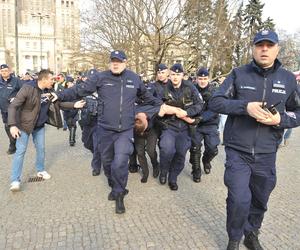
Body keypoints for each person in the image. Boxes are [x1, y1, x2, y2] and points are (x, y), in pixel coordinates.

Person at [208, 30, 300, 250]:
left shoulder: (288, 79)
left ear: (277, 49)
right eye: (260, 45)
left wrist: (281, 119)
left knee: (260, 199)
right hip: (237, 151)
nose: (264, 49)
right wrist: (244, 107)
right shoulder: (238, 74)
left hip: (267, 153)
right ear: (253, 48)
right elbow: (216, 102)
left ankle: (252, 233)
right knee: (239, 199)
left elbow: (298, 111)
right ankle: (234, 239)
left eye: (270, 45)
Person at [51, 50, 162, 214]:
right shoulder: (100, 77)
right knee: (108, 162)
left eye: (119, 61)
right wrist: (59, 94)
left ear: (125, 62)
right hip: (105, 129)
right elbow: (79, 90)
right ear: (110, 63)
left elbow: (147, 97)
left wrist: (162, 106)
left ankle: (119, 194)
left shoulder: (134, 78)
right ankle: (114, 184)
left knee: (121, 162)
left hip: (125, 130)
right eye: (113, 61)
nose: (115, 64)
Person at [7, 69, 85, 192]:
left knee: (41, 149)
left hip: (39, 125)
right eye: (51, 79)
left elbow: (58, 103)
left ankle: (40, 170)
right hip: (23, 125)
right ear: (43, 80)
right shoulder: (27, 88)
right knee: (20, 151)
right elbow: (13, 106)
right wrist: (12, 125)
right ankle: (15, 180)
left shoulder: (49, 90)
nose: (53, 81)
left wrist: (74, 105)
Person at [158, 63, 203, 190]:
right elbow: (157, 105)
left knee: (180, 154)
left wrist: (187, 113)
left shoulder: (190, 87)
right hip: (169, 125)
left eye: (178, 74)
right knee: (167, 150)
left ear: (183, 75)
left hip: (184, 127)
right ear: (169, 75)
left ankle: (173, 178)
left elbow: (199, 104)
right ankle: (163, 170)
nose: (175, 77)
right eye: (173, 74)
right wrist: (163, 110)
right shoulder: (164, 88)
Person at [189, 67, 220, 182]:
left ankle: (206, 161)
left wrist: (201, 117)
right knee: (195, 148)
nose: (202, 81)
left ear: (209, 79)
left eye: (205, 78)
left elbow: (215, 109)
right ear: (196, 79)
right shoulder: (191, 90)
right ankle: (196, 170)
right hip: (195, 124)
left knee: (212, 148)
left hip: (210, 123)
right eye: (200, 78)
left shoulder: (214, 92)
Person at [0, 64, 23, 154]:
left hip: (14, 109)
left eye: (5, 70)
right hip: (4, 109)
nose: (4, 72)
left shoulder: (16, 81)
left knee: (14, 125)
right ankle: (13, 141)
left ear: (9, 71)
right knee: (6, 126)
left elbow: (23, 91)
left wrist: (16, 98)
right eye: (2, 71)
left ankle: (13, 145)